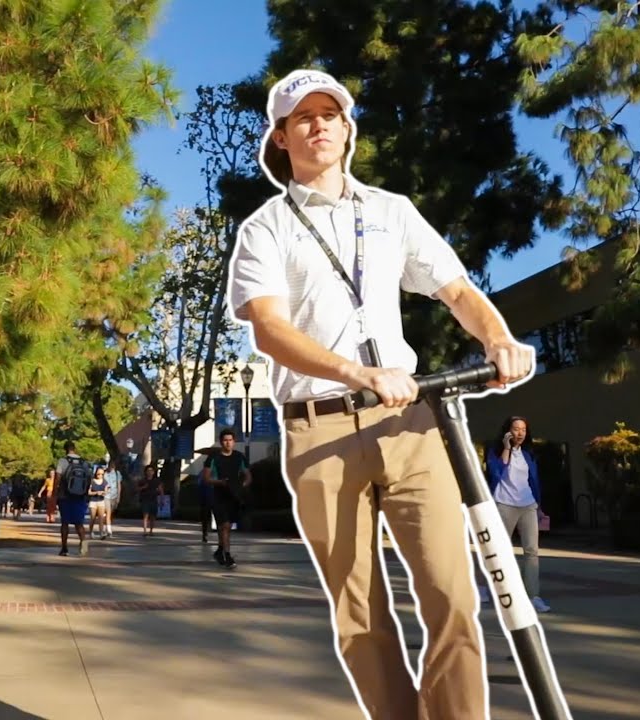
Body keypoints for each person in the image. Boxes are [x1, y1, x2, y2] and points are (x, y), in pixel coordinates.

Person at [227, 69, 535, 720]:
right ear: (281, 137)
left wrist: (499, 339)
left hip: (410, 424)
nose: (319, 124)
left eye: (330, 113)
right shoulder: (266, 230)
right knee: (360, 613)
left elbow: (455, 290)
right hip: (319, 432)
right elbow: (271, 329)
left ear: (347, 128)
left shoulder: (392, 213)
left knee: (453, 596)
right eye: (302, 117)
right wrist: (355, 373)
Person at [484, 416, 550, 613]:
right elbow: (497, 472)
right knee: (501, 549)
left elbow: (533, 481)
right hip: (504, 504)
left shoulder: (528, 454)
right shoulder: (495, 452)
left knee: (532, 552)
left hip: (528, 505)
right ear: (507, 431)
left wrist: (538, 506)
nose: (520, 433)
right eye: (516, 428)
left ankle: (533, 596)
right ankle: (497, 592)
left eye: (523, 429)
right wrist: (506, 447)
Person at [200, 429, 252, 568]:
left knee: (227, 527)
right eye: (225, 440)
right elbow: (206, 478)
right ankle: (227, 555)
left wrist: (242, 485)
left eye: (230, 440)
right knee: (225, 526)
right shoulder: (213, 458)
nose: (228, 443)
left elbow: (248, 475)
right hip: (217, 495)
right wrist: (220, 482)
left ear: (234, 442)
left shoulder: (239, 457)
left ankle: (219, 551)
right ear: (221, 441)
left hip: (234, 495)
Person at [55, 442, 92, 556]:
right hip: (80, 496)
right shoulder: (84, 462)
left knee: (65, 523)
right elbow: (89, 478)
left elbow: (58, 478)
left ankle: (64, 548)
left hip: (65, 496)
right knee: (79, 523)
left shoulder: (63, 461)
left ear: (65, 450)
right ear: (74, 449)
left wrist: (55, 492)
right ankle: (84, 546)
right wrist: (84, 492)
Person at [137, 464, 161, 537]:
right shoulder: (142, 480)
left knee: (153, 517)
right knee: (145, 516)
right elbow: (137, 489)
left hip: (154, 499)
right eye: (148, 470)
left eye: (151, 471)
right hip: (145, 500)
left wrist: (162, 498)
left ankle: (151, 530)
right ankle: (145, 531)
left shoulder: (156, 480)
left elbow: (160, 489)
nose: (150, 472)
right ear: (146, 472)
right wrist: (143, 487)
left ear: (153, 472)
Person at [87, 466, 110, 539]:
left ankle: (101, 533)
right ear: (96, 473)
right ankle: (90, 532)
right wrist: (96, 493)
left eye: (102, 474)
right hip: (93, 502)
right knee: (93, 518)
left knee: (101, 518)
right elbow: (89, 492)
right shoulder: (92, 481)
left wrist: (104, 492)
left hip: (101, 501)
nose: (100, 476)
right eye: (98, 474)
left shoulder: (104, 481)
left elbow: (106, 491)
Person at [103, 460, 122, 538]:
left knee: (111, 514)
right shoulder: (105, 473)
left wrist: (118, 496)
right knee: (108, 512)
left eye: (113, 465)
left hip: (114, 495)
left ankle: (106, 526)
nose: (112, 466)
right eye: (111, 465)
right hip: (106, 495)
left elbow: (119, 486)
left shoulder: (117, 474)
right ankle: (108, 530)